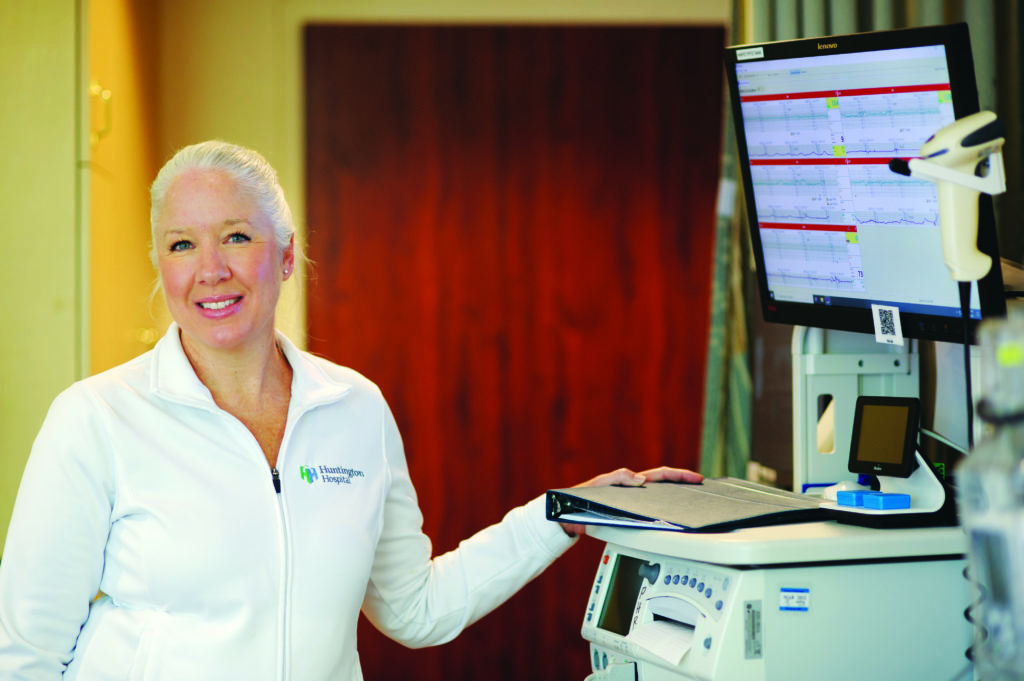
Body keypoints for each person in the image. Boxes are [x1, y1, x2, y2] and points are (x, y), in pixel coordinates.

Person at [0, 141, 702, 680]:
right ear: (162, 265)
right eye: (181, 244)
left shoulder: (353, 410)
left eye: (236, 236)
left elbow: (417, 607)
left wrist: (562, 513)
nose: (209, 268)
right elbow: (26, 652)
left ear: (284, 256)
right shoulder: (96, 419)